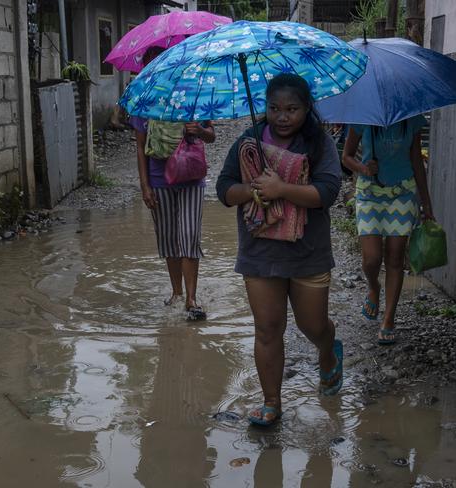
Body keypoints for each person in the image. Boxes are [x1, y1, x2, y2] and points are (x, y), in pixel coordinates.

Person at [216, 74, 343, 426]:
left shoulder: (318, 144)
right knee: (267, 328)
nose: (282, 117)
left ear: (307, 108)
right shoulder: (247, 143)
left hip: (308, 251)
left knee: (312, 325)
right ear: (265, 107)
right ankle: (272, 403)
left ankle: (328, 353)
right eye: (274, 109)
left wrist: (281, 188)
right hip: (260, 252)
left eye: (292, 109)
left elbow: (327, 193)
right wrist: (254, 191)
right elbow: (224, 190)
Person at [132, 47, 216, 321]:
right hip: (158, 180)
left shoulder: (192, 95)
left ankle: (191, 298)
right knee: (168, 239)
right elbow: (140, 145)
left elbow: (211, 135)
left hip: (191, 176)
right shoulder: (143, 101)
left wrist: (199, 131)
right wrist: (144, 185)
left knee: (189, 236)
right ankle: (177, 292)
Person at [341, 117, 434, 345]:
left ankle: (389, 319)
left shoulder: (410, 120)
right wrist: (363, 168)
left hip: (402, 193)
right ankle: (373, 286)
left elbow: (415, 160)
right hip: (369, 194)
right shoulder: (362, 118)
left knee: (394, 257)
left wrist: (426, 202)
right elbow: (346, 156)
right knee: (371, 258)